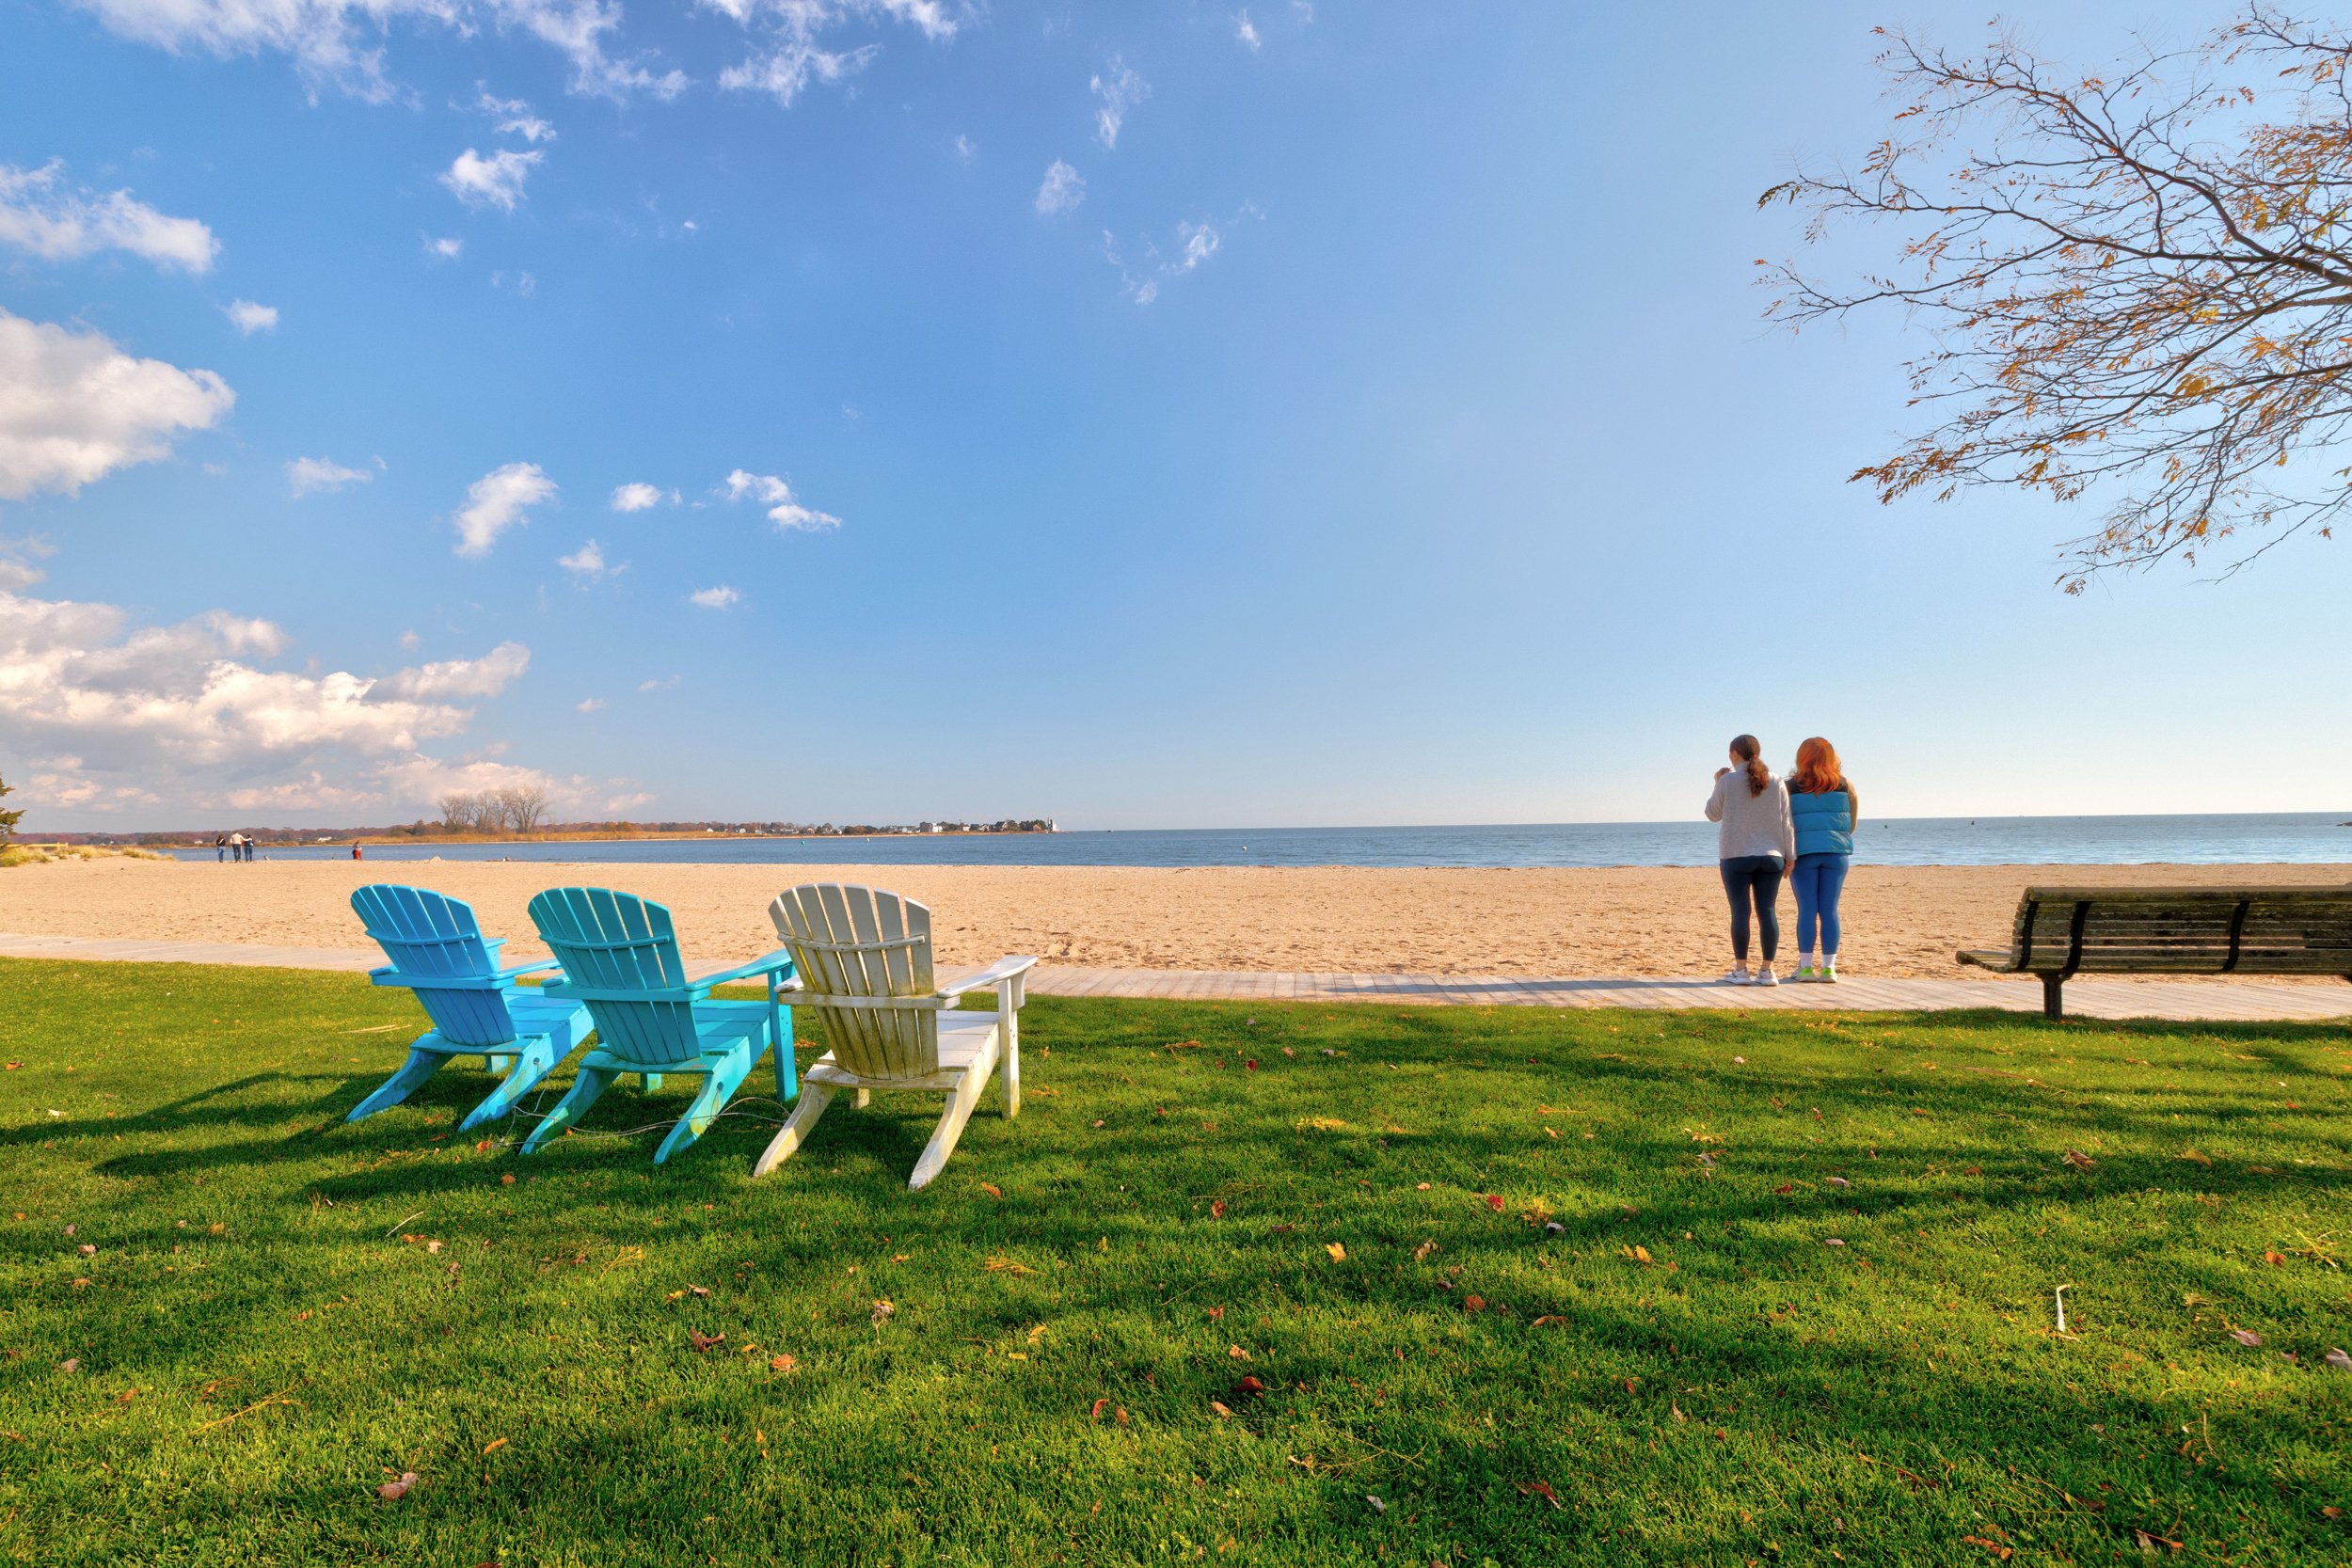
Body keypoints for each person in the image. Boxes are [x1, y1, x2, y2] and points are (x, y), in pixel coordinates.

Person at [1704, 734, 1795, 986]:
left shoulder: (1728, 781)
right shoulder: (1776, 781)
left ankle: (1741, 971)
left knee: (1741, 912)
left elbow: (1712, 814)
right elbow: (1786, 821)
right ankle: (1767, 972)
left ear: (1734, 754)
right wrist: (1791, 856)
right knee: (1767, 911)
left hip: (1735, 856)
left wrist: (1717, 782)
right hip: (1771, 857)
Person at [1787, 736, 1859, 983]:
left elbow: (1784, 823)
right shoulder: (1845, 784)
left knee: (1807, 909)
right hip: (1835, 853)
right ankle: (1829, 969)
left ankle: (1806, 968)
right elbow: (1851, 824)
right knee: (1829, 910)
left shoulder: (1790, 786)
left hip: (1804, 853)